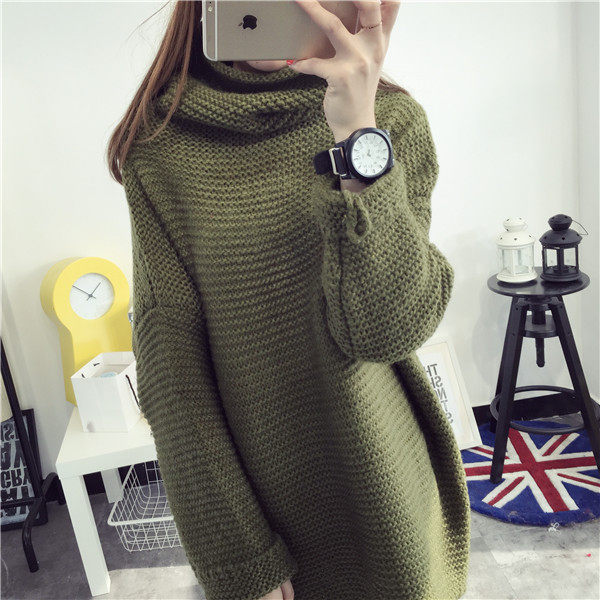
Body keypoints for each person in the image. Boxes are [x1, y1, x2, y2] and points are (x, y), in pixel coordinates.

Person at [107, 1, 471, 599]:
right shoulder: (161, 151)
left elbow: (387, 331)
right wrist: (236, 553)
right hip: (263, 512)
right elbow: (171, 366)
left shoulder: (388, 123)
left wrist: (358, 141)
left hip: (389, 487)